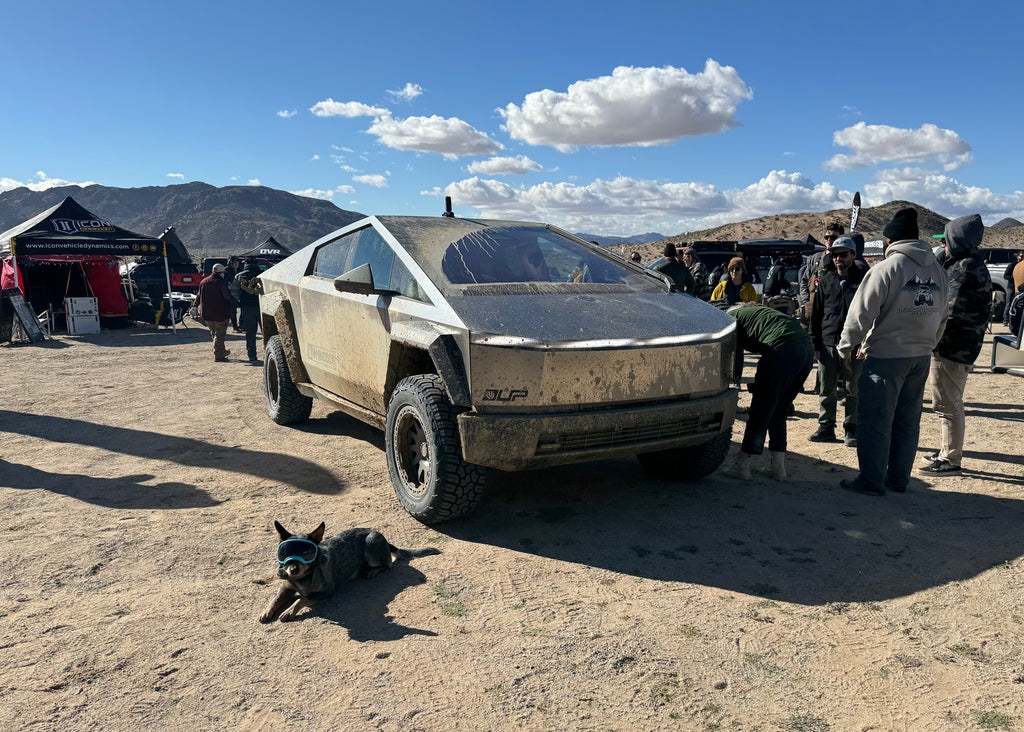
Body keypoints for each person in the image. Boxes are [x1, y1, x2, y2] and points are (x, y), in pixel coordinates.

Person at [837, 207, 949, 496]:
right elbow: (943, 315)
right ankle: (898, 478)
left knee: (875, 420)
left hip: (886, 356)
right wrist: (931, 342)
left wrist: (846, 348)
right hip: (921, 355)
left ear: (889, 240)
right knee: (908, 421)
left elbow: (860, 312)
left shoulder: (886, 269)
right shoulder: (938, 270)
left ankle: (871, 480)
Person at [920, 214, 992, 475]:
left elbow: (950, 313)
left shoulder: (964, 269)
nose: (944, 246)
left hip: (952, 348)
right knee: (947, 402)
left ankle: (950, 458)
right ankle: (945, 450)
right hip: (959, 346)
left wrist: (936, 343)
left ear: (957, 240)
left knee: (948, 403)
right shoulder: (967, 264)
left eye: (948, 240)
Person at [722, 303, 814, 481]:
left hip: (782, 349)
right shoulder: (756, 312)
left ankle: (742, 465)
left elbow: (729, 355)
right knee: (779, 410)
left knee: (760, 410)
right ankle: (778, 469)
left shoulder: (729, 318)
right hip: (806, 350)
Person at [808, 236, 867, 446]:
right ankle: (826, 427)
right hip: (828, 343)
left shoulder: (864, 281)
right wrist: (815, 345)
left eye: (843, 254)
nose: (839, 259)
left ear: (853, 255)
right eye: (835, 255)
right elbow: (816, 315)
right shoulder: (826, 281)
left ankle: (852, 429)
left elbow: (872, 314)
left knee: (853, 389)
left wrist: (865, 344)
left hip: (854, 345)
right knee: (827, 388)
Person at [799, 222, 844, 322]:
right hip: (812, 311)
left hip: (833, 313)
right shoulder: (815, 259)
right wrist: (805, 303)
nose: (829, 240)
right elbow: (804, 282)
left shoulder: (843, 259)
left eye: (833, 237)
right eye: (826, 237)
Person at [196, 263, 234, 362]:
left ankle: (221, 350)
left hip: (207, 314)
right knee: (220, 334)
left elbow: (198, 296)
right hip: (220, 313)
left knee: (214, 333)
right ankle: (218, 354)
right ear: (220, 272)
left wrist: (194, 306)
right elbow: (227, 297)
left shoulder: (204, 281)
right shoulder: (221, 283)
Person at [236, 258, 264, 363]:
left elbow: (235, 292)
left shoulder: (239, 276)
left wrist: (240, 301)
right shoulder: (263, 274)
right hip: (261, 306)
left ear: (246, 264)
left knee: (250, 333)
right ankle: (268, 354)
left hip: (246, 307)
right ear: (256, 263)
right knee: (266, 332)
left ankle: (252, 355)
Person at [1003, 253, 1022, 326]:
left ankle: (1015, 320)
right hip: (1011, 286)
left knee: (1017, 304)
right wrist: (1013, 278)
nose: (1021, 257)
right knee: (1009, 303)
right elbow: (1006, 275)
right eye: (1020, 256)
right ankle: (1005, 319)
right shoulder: (1012, 265)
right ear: (1017, 256)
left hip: (1019, 288)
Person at [225, 256, 242, 331]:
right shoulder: (226, 271)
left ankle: (241, 324)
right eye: (234, 263)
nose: (236, 264)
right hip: (230, 294)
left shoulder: (240, 271)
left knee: (243, 310)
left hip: (240, 292)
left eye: (237, 263)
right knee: (233, 311)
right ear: (230, 263)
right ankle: (234, 326)